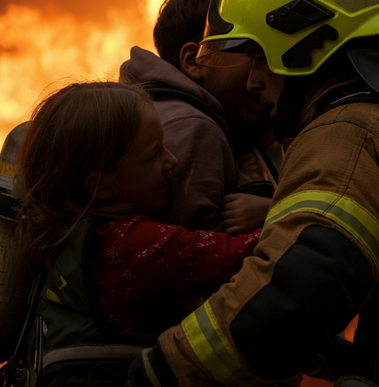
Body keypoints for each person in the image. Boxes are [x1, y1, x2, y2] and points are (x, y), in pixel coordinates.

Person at [125, 0, 379, 387]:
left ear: (308, 40)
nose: (255, 81)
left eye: (259, 55)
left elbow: (292, 297)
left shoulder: (355, 132)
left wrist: (160, 371)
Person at [16, 80, 261, 386]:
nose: (171, 160)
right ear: (101, 186)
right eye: (152, 156)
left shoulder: (64, 235)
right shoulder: (131, 246)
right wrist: (271, 208)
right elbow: (237, 254)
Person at [120, 0, 279, 235]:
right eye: (254, 55)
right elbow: (201, 261)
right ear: (194, 61)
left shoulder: (155, 109)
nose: (268, 72)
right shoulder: (195, 130)